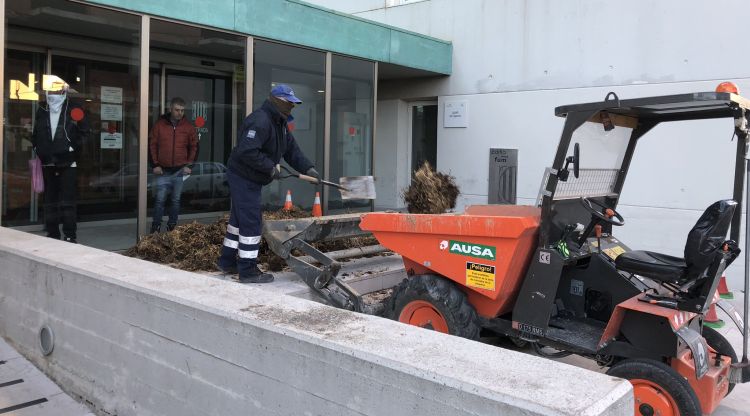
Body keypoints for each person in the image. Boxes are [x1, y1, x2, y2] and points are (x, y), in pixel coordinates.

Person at [218, 84, 320, 283]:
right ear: (278, 101)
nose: (292, 106)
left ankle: (227, 261)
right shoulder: (260, 120)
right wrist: (270, 168)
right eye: (289, 102)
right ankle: (247, 271)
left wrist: (308, 168)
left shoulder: (279, 123)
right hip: (242, 176)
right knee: (251, 222)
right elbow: (247, 151)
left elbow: (292, 151)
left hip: (252, 177)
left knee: (238, 223)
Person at [32, 83, 90, 243]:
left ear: (64, 91)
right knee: (50, 200)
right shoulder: (42, 109)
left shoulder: (74, 109)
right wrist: (38, 148)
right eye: (51, 90)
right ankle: (52, 233)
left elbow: (85, 131)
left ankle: (70, 235)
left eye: (57, 89)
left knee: (68, 201)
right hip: (48, 162)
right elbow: (36, 132)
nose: (54, 92)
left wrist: (72, 148)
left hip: (68, 162)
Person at [148, 97, 198, 233]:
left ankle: (172, 227)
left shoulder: (188, 127)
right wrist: (155, 164)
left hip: (179, 171)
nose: (179, 113)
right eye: (177, 110)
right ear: (170, 109)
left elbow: (194, 147)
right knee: (160, 200)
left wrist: (189, 166)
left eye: (182, 110)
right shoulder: (160, 125)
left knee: (175, 200)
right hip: (162, 170)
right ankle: (156, 227)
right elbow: (152, 145)